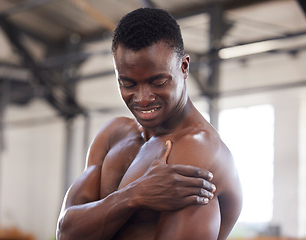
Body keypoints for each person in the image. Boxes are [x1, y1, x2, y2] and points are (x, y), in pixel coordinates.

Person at [56, 8, 242, 240]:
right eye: (128, 84)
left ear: (184, 67)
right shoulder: (113, 134)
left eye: (158, 82)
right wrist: (133, 195)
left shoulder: (197, 151)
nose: (143, 98)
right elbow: (66, 232)